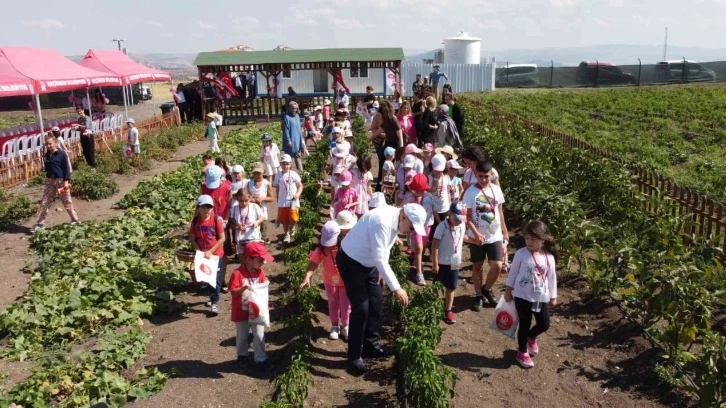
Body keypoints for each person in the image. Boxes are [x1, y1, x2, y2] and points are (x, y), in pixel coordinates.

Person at [337, 204, 427, 374]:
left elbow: (385, 249)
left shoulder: (396, 221)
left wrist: (379, 270)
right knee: (361, 308)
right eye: (412, 227)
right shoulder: (382, 222)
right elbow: (380, 257)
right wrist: (397, 288)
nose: (411, 232)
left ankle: (371, 345)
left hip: (369, 263)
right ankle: (354, 355)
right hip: (352, 261)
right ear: (404, 217)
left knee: (377, 301)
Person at [505, 221, 558, 368]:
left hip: (541, 297)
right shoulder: (521, 254)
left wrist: (553, 296)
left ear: (543, 239)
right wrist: (508, 291)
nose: (529, 242)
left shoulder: (549, 257)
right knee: (524, 323)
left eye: (533, 239)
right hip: (522, 296)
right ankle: (522, 352)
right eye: (527, 238)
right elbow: (513, 273)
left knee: (544, 324)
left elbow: (552, 277)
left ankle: (531, 336)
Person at [463, 160, 509, 310]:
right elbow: (467, 216)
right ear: (476, 175)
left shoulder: (496, 190)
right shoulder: (470, 193)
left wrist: (505, 230)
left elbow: (500, 211)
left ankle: (487, 289)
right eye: (480, 176)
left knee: (497, 266)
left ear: (491, 175)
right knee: (477, 266)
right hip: (477, 236)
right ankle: (478, 296)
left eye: (486, 176)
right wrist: (476, 234)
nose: (483, 179)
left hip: (494, 234)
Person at [300, 221, 352, 341]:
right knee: (333, 303)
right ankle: (334, 326)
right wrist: (307, 278)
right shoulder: (322, 250)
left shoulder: (346, 246)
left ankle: (346, 326)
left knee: (346, 305)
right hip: (329, 281)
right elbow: (313, 264)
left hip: (345, 282)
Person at [229, 241, 274, 371]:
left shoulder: (260, 273)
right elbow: (233, 292)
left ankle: (261, 358)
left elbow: (262, 292)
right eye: (260, 260)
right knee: (242, 336)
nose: (262, 263)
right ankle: (242, 355)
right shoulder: (237, 274)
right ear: (248, 259)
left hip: (257, 310)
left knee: (259, 335)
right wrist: (244, 288)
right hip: (241, 311)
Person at [431, 202, 476, 324]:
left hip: (455, 261)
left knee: (451, 286)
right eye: (457, 219)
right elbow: (434, 245)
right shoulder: (442, 227)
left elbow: (463, 238)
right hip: (442, 262)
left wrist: (475, 241)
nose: (459, 222)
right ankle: (431, 306)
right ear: (449, 214)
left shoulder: (461, 225)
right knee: (437, 285)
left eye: (461, 219)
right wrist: (435, 263)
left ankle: (448, 310)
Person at [31, 133, 80, 233]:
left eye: (50, 144)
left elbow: (66, 169)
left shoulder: (62, 154)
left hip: (61, 181)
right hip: (50, 181)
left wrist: (66, 181)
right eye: (46, 144)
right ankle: (39, 223)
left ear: (55, 143)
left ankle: (75, 219)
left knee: (66, 201)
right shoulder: (47, 154)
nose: (48, 146)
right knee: (45, 202)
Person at [190, 195, 226, 315]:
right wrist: (197, 250)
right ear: (198, 208)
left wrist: (211, 251)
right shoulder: (195, 222)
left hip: (216, 255)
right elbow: (193, 238)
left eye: (209, 207)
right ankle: (212, 297)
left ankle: (215, 302)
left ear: (212, 208)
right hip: (203, 255)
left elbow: (222, 239)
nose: (206, 210)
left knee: (215, 279)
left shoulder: (216, 220)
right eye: (203, 207)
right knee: (207, 278)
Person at [201, 165, 233, 295]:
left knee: (222, 253)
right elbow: (200, 204)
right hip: (206, 224)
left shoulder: (227, 187)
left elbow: (230, 206)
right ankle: (209, 279)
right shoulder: (203, 187)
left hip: (222, 224)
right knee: (206, 251)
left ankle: (222, 279)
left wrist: (226, 220)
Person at [405, 174, 435, 286]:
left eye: (421, 191)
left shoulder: (429, 197)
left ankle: (416, 258)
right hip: (415, 227)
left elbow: (434, 210)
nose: (419, 193)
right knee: (419, 247)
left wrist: (441, 222)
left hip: (427, 226)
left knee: (422, 247)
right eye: (416, 191)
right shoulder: (410, 198)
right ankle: (419, 273)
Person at [369, 100, 404, 191]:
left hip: (395, 146)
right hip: (388, 145)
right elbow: (377, 133)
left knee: (391, 168)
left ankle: (390, 188)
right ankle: (380, 187)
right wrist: (367, 141)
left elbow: (400, 137)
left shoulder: (394, 119)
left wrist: (401, 152)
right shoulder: (386, 121)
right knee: (383, 166)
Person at [274, 154, 303, 243]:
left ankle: (292, 227)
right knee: (284, 219)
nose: (285, 166)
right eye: (283, 164)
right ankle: (287, 234)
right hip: (283, 201)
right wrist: (278, 198)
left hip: (293, 201)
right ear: (280, 164)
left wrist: (298, 194)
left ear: (290, 164)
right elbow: (277, 187)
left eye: (287, 164)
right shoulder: (278, 175)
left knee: (293, 218)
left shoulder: (294, 174)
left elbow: (300, 186)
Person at [230, 189, 266, 255]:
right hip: (240, 238)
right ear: (237, 199)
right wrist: (237, 227)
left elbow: (263, 217)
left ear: (250, 198)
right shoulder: (234, 209)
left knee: (253, 256)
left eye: (246, 201)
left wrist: (257, 222)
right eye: (241, 201)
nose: (244, 203)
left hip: (253, 237)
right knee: (242, 259)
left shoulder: (254, 206)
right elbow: (230, 223)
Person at [428, 154, 451, 244]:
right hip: (433, 209)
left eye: (440, 171)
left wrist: (449, 205)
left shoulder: (446, 177)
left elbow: (448, 192)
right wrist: (432, 187)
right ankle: (431, 248)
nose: (438, 173)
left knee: (444, 228)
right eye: (436, 171)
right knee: (433, 230)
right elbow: (426, 192)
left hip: (444, 207)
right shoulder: (429, 177)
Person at [247, 162, 274, 234]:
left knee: (263, 231)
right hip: (251, 212)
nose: (257, 175)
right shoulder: (249, 183)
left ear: (263, 172)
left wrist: (262, 198)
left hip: (262, 211)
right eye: (255, 173)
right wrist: (251, 199)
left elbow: (271, 198)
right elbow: (246, 195)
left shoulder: (266, 184)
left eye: (259, 173)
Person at [281, 102, 305, 171]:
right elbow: (286, 130)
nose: (294, 110)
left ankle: (301, 174)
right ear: (289, 108)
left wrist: (301, 141)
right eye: (293, 108)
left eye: (296, 108)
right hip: (290, 142)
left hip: (297, 141)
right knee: (288, 160)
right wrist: (288, 140)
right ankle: (287, 174)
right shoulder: (287, 117)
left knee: (298, 158)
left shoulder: (297, 116)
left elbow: (299, 130)